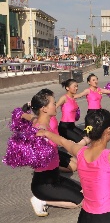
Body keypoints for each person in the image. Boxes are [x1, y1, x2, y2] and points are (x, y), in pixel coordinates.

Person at [25, 89, 83, 217]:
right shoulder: (38, 131)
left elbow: (25, 115)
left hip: (56, 177)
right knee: (80, 202)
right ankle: (40, 200)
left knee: (84, 191)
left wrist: (27, 108)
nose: (55, 105)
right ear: (44, 109)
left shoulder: (42, 122)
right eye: (53, 103)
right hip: (44, 183)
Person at [56, 79, 90, 146]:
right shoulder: (64, 98)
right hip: (64, 127)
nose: (76, 88)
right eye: (74, 86)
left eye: (77, 86)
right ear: (67, 88)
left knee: (87, 139)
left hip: (72, 126)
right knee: (82, 142)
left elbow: (81, 94)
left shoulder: (73, 97)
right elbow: (54, 107)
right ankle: (74, 150)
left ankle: (71, 145)